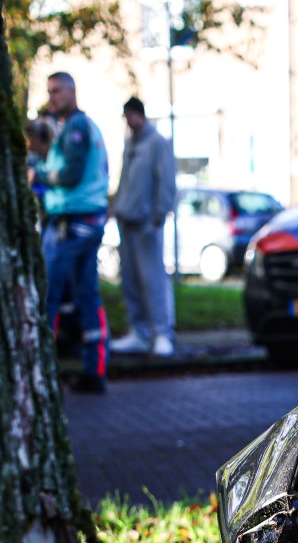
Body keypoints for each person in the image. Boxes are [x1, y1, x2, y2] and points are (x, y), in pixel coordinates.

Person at [32, 73, 110, 393]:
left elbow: (69, 174)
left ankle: (42, 373)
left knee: (48, 295)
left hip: (71, 224)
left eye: (57, 91)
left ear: (72, 91)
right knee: (86, 295)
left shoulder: (76, 128)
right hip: (87, 221)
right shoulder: (81, 127)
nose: (52, 97)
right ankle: (95, 370)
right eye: (49, 92)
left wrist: (36, 173)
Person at [107, 97, 177, 357]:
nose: (128, 122)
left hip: (147, 223)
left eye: (130, 116)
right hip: (127, 220)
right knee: (131, 280)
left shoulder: (157, 142)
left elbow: (166, 179)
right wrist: (116, 205)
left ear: (138, 115)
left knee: (153, 280)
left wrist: (160, 212)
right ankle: (139, 331)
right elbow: (124, 179)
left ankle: (162, 333)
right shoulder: (131, 143)